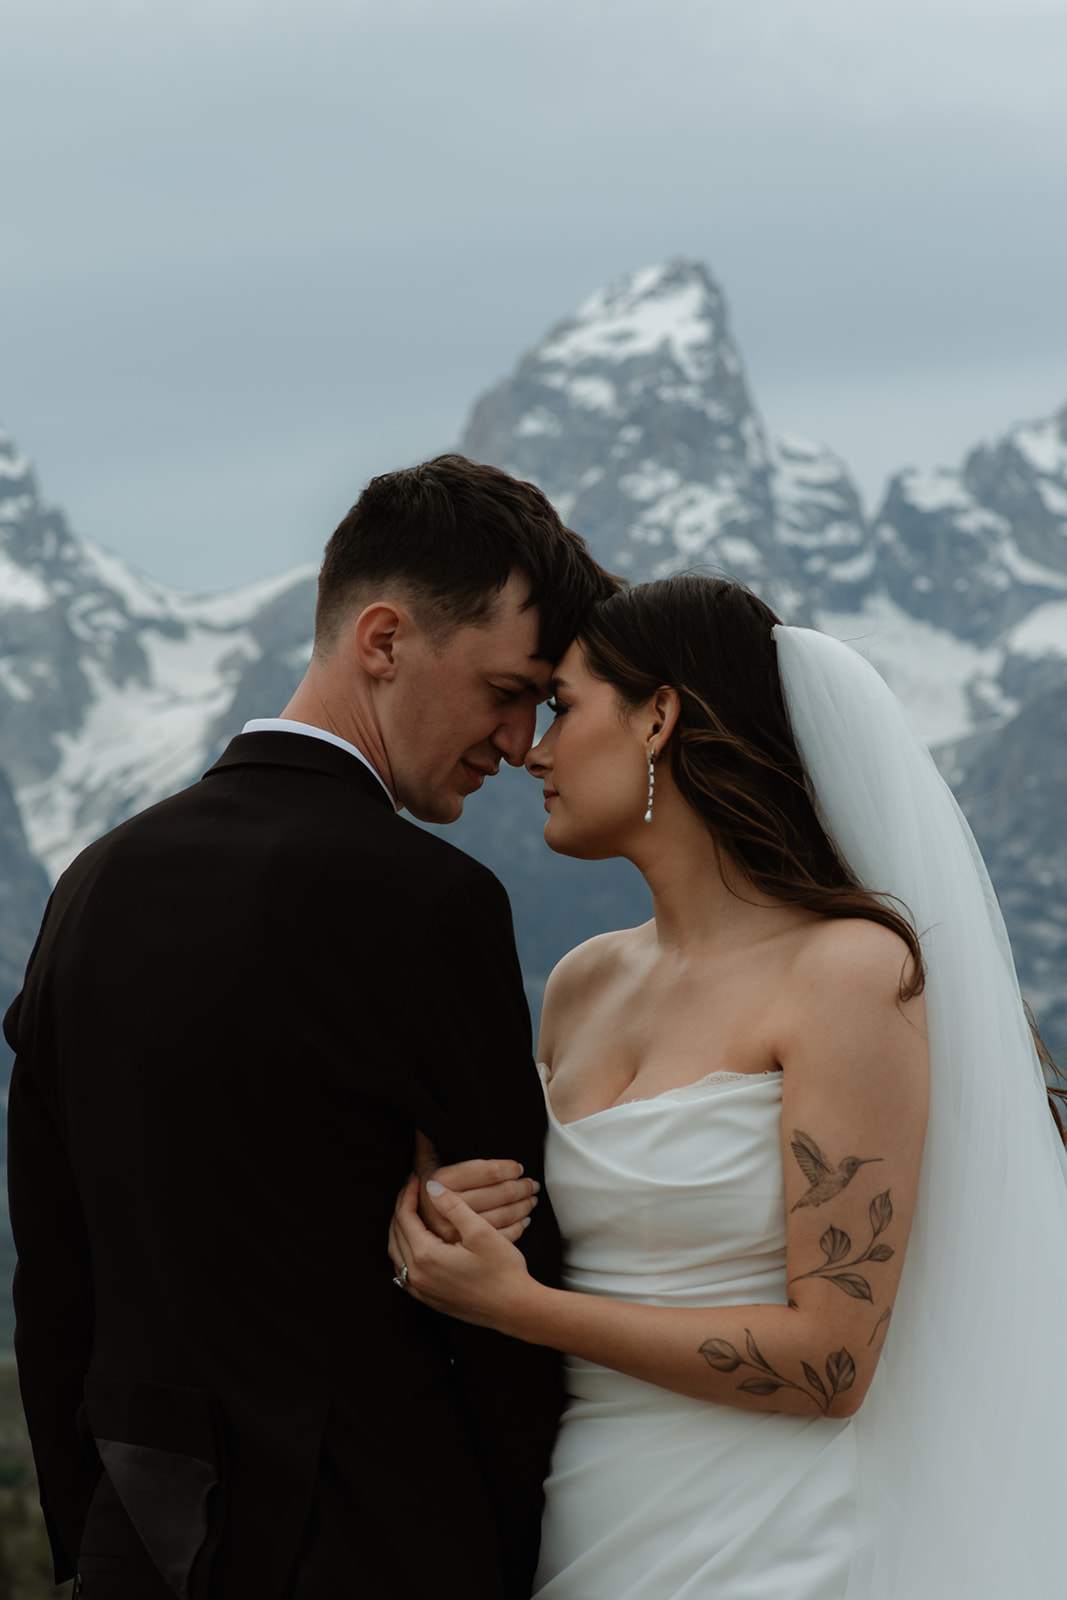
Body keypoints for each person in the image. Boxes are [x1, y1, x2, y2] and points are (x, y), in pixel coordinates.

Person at [5, 454, 617, 1600]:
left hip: (133, 1550)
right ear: (380, 639)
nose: (522, 738)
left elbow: (57, 1276)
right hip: (384, 1545)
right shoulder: (430, 905)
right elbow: (507, 1302)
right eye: (504, 688)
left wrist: (96, 1536)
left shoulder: (90, 884)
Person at [389, 574, 1067, 1599]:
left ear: (658, 715)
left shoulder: (843, 972)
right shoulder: (579, 983)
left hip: (767, 1537)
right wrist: (444, 1208)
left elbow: (833, 1363)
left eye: (564, 707)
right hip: (578, 1517)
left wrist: (522, 1308)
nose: (531, 747)